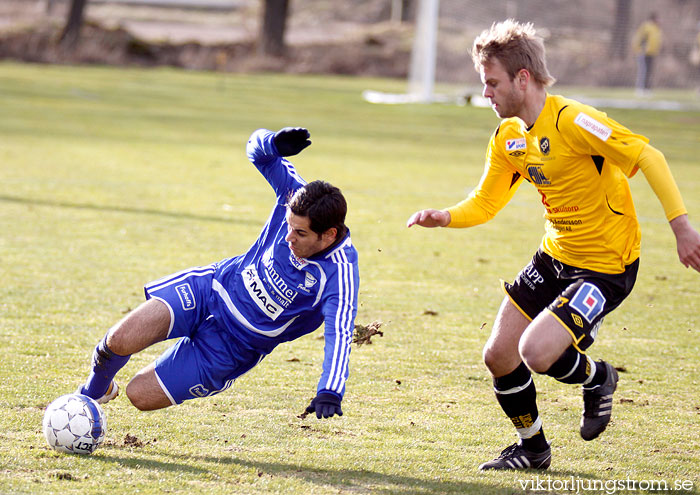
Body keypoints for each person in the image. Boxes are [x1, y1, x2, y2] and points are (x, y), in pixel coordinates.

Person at [407, 19, 700, 471]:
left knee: (536, 353)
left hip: (606, 266)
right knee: (498, 355)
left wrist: (682, 228)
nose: (486, 93)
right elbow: (486, 202)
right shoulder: (508, 138)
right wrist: (445, 216)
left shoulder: (574, 121)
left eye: (492, 83)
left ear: (522, 79)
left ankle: (597, 376)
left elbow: (649, 156)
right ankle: (533, 448)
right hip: (555, 256)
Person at [76, 127, 359, 421]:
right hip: (209, 290)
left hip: (233, 347)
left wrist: (330, 390)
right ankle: (90, 395)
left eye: (300, 233)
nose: (288, 238)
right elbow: (256, 150)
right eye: (288, 225)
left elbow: (339, 332)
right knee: (117, 341)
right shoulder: (293, 193)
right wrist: (272, 143)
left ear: (328, 235)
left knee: (139, 394)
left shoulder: (339, 275)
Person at [632, 13, 662, 96]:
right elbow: (641, 38)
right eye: (658, 18)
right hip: (644, 53)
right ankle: (640, 89)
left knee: (649, 71)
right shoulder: (646, 27)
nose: (660, 20)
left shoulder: (656, 28)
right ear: (653, 18)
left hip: (652, 53)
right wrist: (641, 49)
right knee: (643, 71)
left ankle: (647, 88)